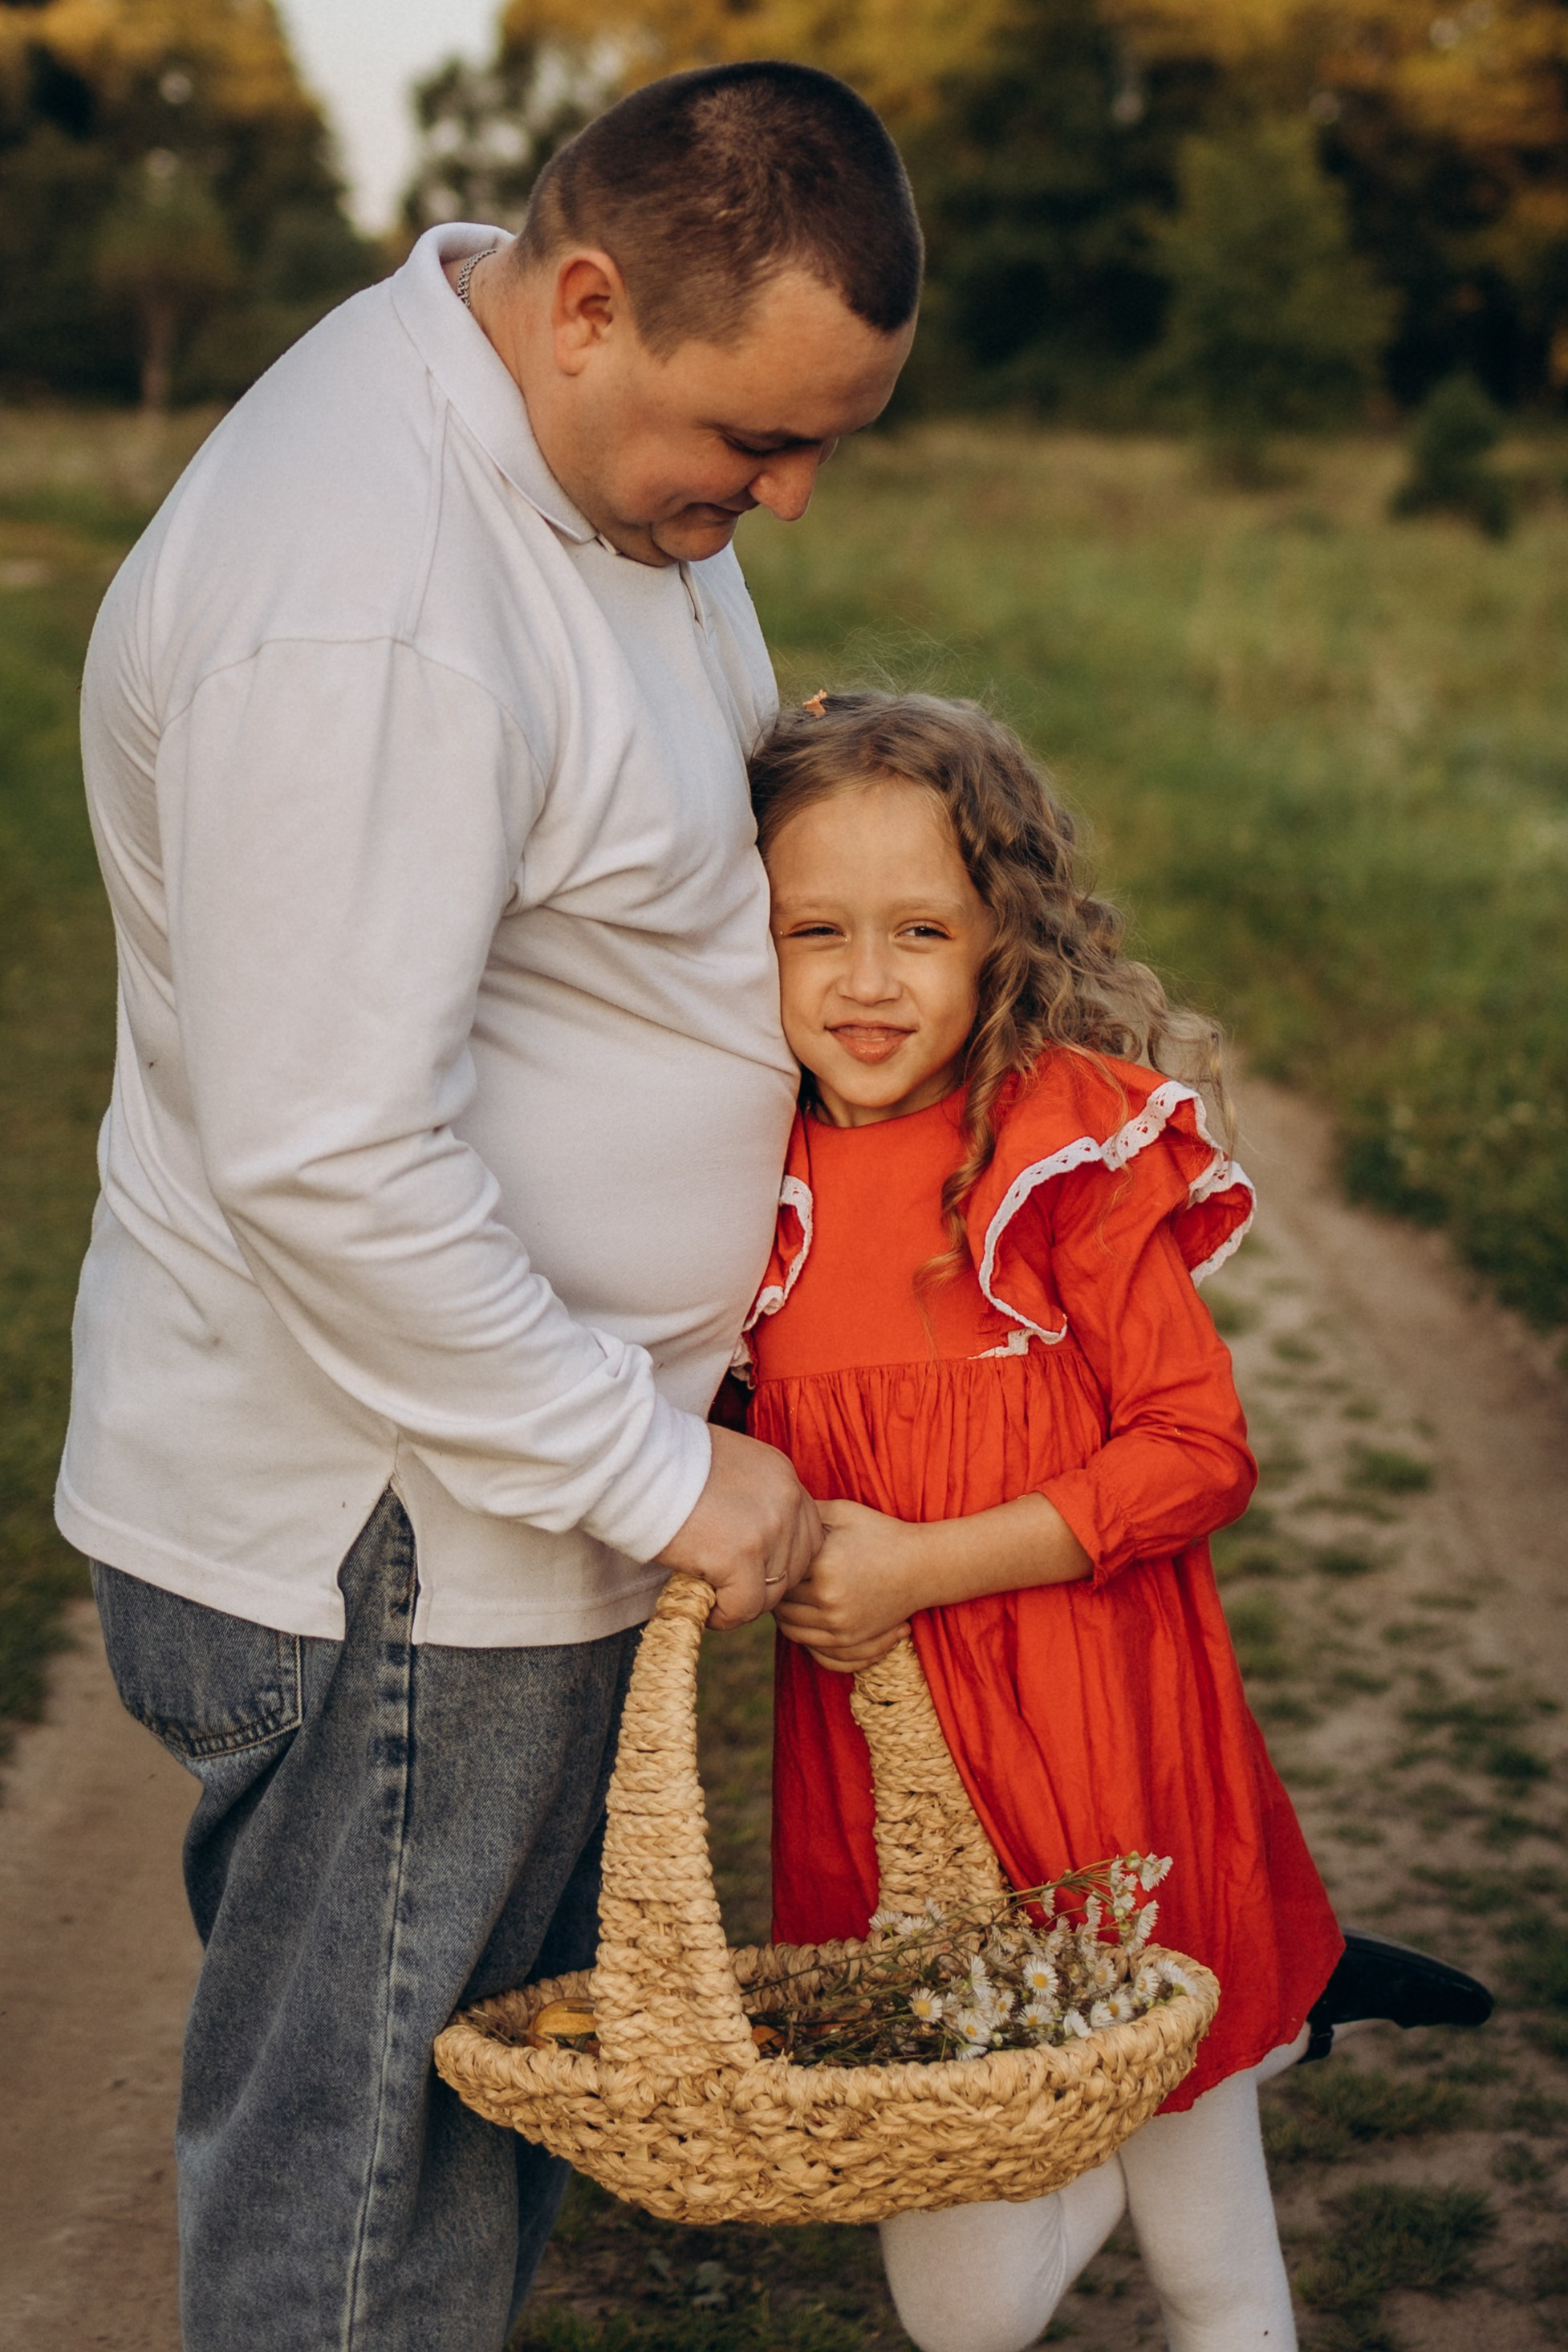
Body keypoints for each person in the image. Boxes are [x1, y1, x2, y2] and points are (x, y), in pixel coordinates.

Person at [57, 66, 920, 2352]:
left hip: (483, 1511)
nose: (787, 494)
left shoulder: (580, 475)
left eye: (824, 444)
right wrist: (650, 1466)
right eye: (758, 438)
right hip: (402, 1538)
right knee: (363, 2222)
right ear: (592, 303)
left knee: (446, 2165)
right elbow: (329, 1155)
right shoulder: (366, 592)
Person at [741, 691, 1490, 2352]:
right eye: (814, 930)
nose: (867, 980)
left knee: (1210, 2254)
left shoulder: (1056, 1149)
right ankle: (1267, 2013)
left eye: (921, 930)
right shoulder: (739, 1181)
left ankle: (1239, 2029)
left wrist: (920, 1563)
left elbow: (1195, 1449)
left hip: (1108, 1753)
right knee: (965, 2311)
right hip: (895, 1788)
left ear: (999, 937)